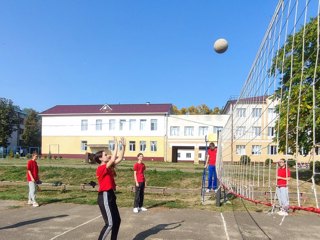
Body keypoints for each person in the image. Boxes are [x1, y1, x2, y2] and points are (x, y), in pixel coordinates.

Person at [95, 137, 126, 240]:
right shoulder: (100, 168)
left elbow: (119, 158)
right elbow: (113, 158)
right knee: (110, 224)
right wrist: (116, 144)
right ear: (100, 159)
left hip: (111, 195)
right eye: (105, 155)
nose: (108, 155)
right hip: (104, 196)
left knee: (117, 221)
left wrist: (123, 146)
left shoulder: (109, 167)